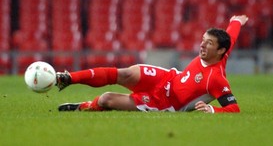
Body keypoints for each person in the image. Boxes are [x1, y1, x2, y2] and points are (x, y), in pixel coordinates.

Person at [56, 15, 248, 113]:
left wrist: (212, 110)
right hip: (167, 77)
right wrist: (236, 21)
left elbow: (234, 108)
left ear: (221, 51)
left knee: (107, 99)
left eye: (209, 43)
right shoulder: (222, 50)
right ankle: (69, 78)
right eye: (203, 39)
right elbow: (231, 35)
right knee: (127, 73)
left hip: (164, 102)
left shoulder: (216, 79)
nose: (202, 45)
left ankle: (84, 106)